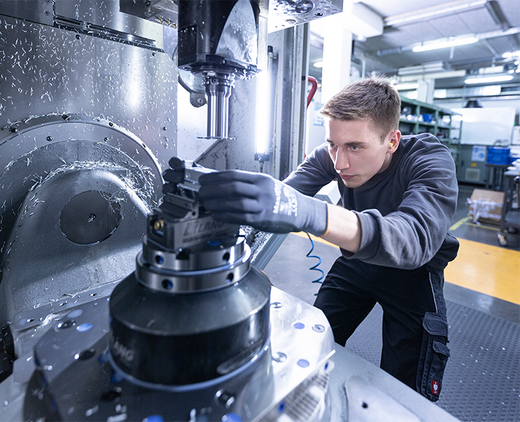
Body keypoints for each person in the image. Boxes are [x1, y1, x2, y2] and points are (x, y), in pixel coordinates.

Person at [163, 76, 459, 401]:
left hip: (413, 273)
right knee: (315, 339)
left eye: (355, 147)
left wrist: (312, 213)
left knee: (407, 393)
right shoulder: (331, 155)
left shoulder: (429, 161)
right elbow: (282, 197)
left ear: (392, 141)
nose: (339, 163)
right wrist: (215, 204)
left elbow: (414, 238)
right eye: (333, 144)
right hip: (357, 260)